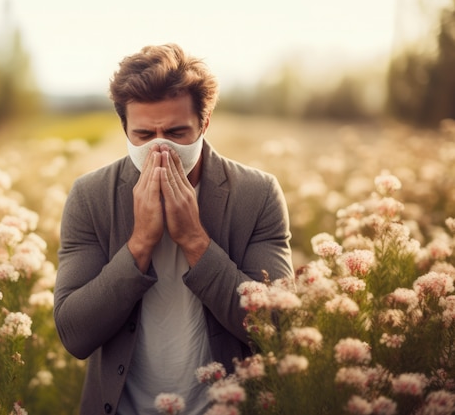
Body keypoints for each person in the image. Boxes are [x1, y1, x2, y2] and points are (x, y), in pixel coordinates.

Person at [54, 43, 294, 415]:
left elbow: (276, 328)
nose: (159, 148)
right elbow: (74, 333)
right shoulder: (91, 196)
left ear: (204, 123)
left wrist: (195, 241)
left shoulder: (257, 194)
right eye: (144, 135)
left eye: (177, 133)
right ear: (124, 128)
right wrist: (139, 245)